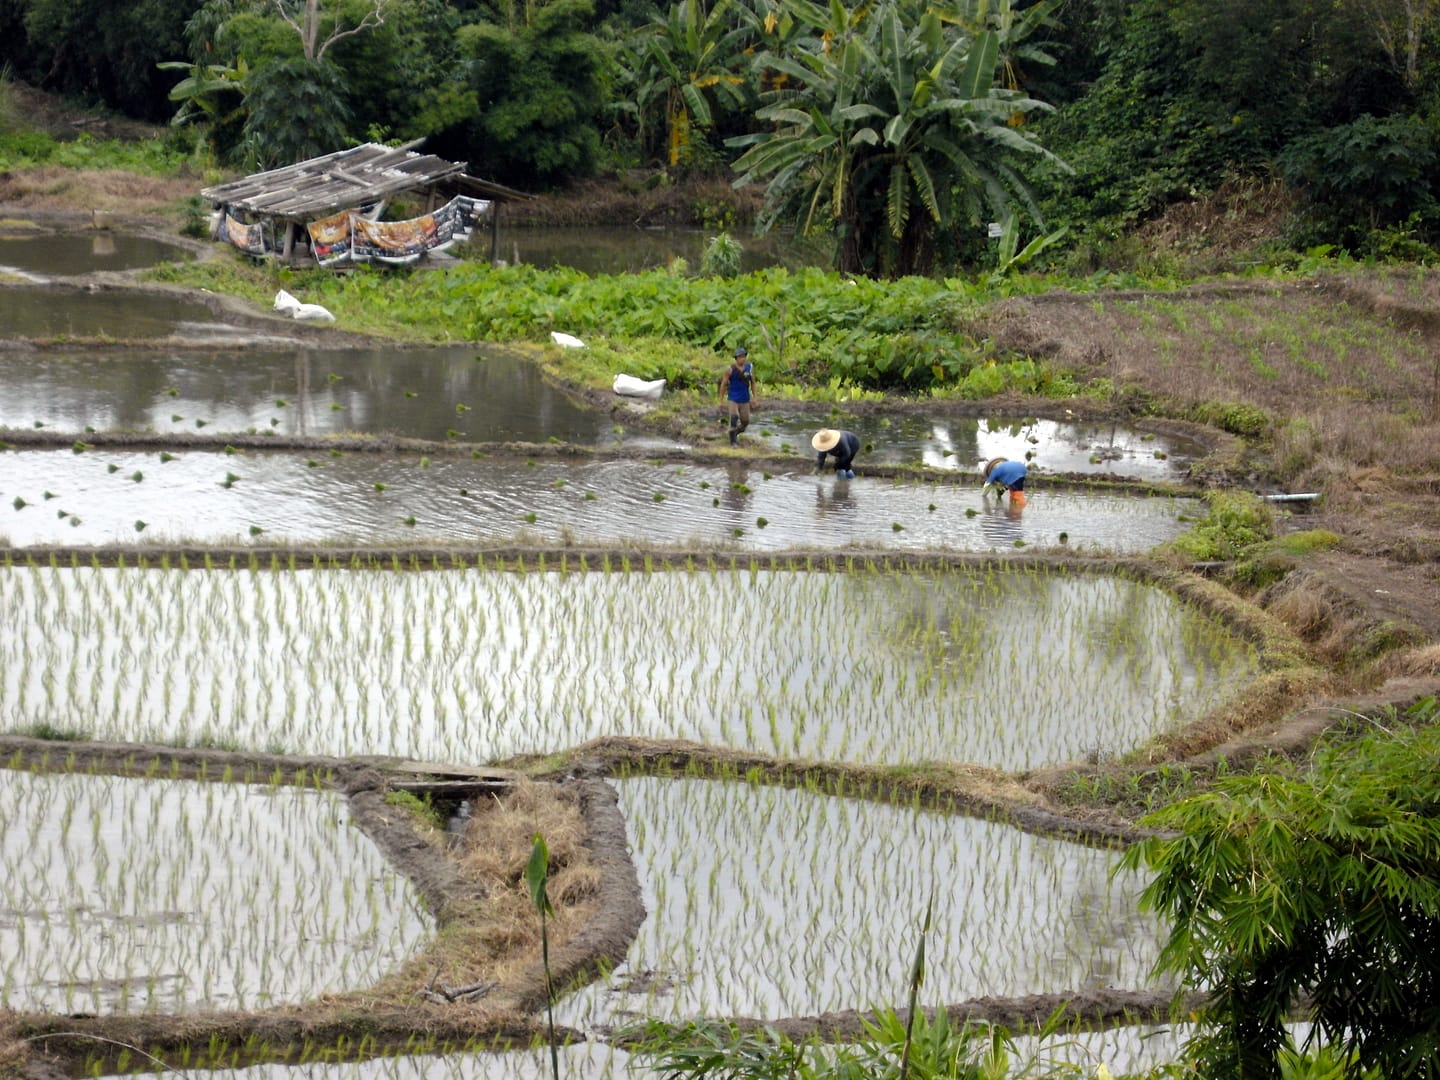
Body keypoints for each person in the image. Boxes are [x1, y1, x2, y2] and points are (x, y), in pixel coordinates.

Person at [718, 346, 757, 446]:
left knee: (745, 421)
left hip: (745, 399)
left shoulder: (749, 368)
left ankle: (734, 433)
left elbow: (753, 383)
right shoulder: (730, 370)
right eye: (740, 357)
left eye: (743, 356)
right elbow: (723, 385)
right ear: (736, 358)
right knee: (734, 418)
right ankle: (733, 442)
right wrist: (721, 401)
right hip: (733, 398)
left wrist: (755, 397)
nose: (742, 359)